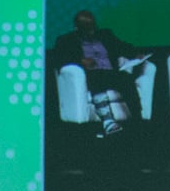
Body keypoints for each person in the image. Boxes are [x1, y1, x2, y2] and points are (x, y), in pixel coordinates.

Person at [53, 9, 150, 137]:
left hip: (111, 73)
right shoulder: (66, 40)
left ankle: (138, 119)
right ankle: (108, 121)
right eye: (86, 28)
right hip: (91, 75)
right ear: (77, 28)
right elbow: (59, 59)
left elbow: (122, 46)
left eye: (93, 26)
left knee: (126, 79)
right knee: (96, 77)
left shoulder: (105, 34)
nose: (91, 30)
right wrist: (80, 61)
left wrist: (136, 54)